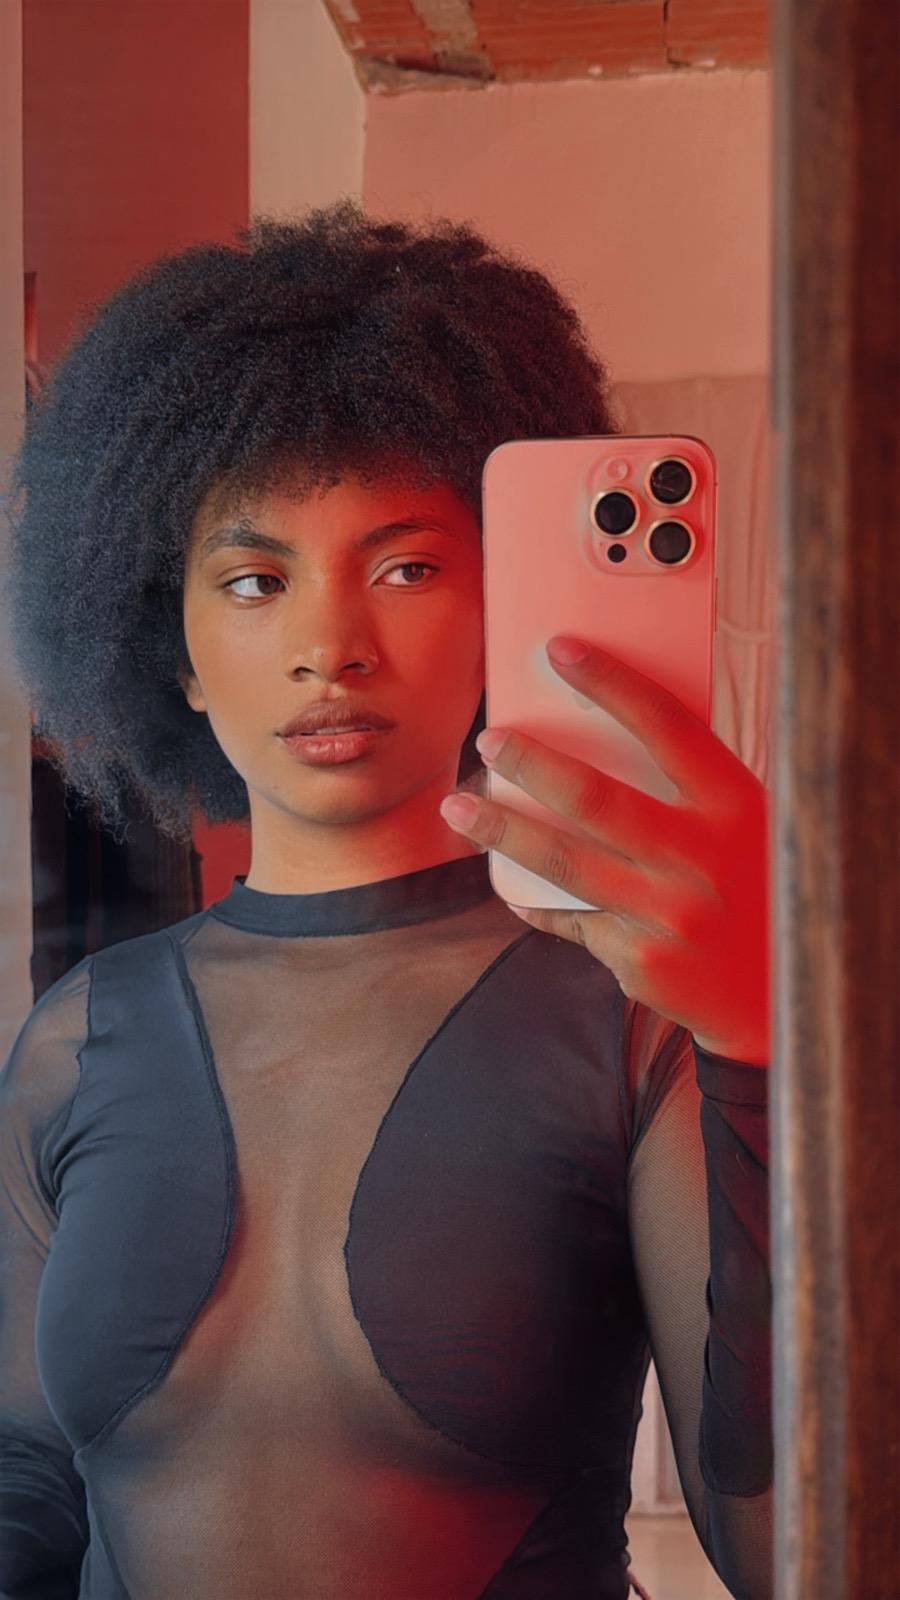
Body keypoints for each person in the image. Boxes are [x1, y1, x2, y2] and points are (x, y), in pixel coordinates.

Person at [0, 201, 772, 1600]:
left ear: (499, 609)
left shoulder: (630, 1015)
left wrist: (764, 1044)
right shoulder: (76, 1037)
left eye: (406, 566)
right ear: (174, 651)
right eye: (254, 579)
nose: (329, 647)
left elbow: (789, 1545)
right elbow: (27, 1489)